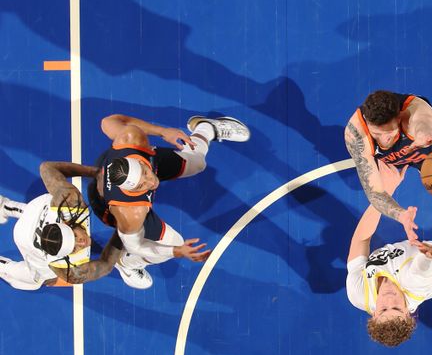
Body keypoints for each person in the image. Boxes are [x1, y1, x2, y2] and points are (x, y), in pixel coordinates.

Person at [86, 113, 251, 288]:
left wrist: (163, 132)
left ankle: (207, 128)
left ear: (139, 163)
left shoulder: (132, 139)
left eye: (146, 174)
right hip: (105, 205)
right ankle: (126, 263)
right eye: (142, 185)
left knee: (197, 163)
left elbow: (107, 122)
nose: (151, 182)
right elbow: (136, 246)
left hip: (115, 168)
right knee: (174, 243)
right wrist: (178, 251)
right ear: (131, 189)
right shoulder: (130, 213)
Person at [346, 165, 432, 347]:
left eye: (384, 309)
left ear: (374, 314)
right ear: (408, 311)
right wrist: (428, 256)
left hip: (396, 257)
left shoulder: (358, 294)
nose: (390, 299)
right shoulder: (416, 285)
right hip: (428, 261)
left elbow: (361, 240)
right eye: (397, 308)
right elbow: (420, 270)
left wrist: (385, 192)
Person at [344, 90, 432, 242]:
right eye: (376, 134)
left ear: (399, 117)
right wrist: (401, 215)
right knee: (367, 181)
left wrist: (423, 135)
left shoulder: (415, 111)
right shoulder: (356, 134)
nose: (384, 140)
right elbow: (375, 194)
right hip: (389, 157)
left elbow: (423, 121)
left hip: (421, 143)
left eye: (389, 133)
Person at [0, 162, 125, 290]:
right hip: (24, 237)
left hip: (35, 209)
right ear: (62, 255)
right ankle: (4, 266)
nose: (82, 243)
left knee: (31, 212)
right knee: (39, 280)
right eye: (74, 249)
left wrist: (96, 173)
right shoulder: (66, 269)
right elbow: (106, 264)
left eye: (75, 236)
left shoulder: (69, 201)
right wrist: (123, 232)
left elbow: (46, 167)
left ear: (66, 223)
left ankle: (4, 206)